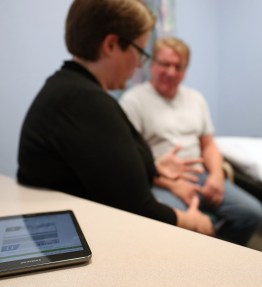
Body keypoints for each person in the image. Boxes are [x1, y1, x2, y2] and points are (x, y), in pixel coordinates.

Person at [17, 0, 214, 236]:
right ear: (111, 45)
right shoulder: (84, 102)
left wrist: (152, 167)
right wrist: (194, 222)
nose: (139, 64)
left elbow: (105, 168)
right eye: (140, 52)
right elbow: (137, 208)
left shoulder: (70, 89)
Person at [120, 37, 262, 245]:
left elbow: (208, 145)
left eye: (178, 66)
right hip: (160, 180)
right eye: (165, 64)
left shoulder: (195, 99)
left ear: (185, 70)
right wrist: (172, 184)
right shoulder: (133, 101)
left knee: (253, 213)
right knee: (185, 228)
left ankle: (221, 257)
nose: (171, 72)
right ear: (152, 64)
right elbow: (130, 161)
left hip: (202, 177)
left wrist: (216, 176)